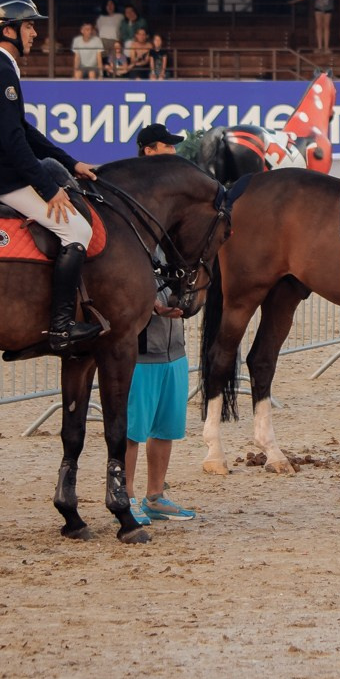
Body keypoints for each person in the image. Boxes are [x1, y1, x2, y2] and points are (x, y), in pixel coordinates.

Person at [0, 0, 103, 354]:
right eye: (28, 26)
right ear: (8, 30)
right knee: (77, 230)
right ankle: (61, 328)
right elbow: (13, 143)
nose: (34, 34)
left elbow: (23, 130)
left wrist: (71, 164)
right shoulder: (0, 71)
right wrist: (48, 187)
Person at [122, 122, 197, 521]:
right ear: (148, 151)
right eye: (166, 146)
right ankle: (129, 497)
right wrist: (153, 301)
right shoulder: (132, 211)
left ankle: (155, 494)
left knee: (166, 427)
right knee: (135, 428)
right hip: (144, 344)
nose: (173, 152)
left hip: (174, 343)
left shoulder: (168, 213)